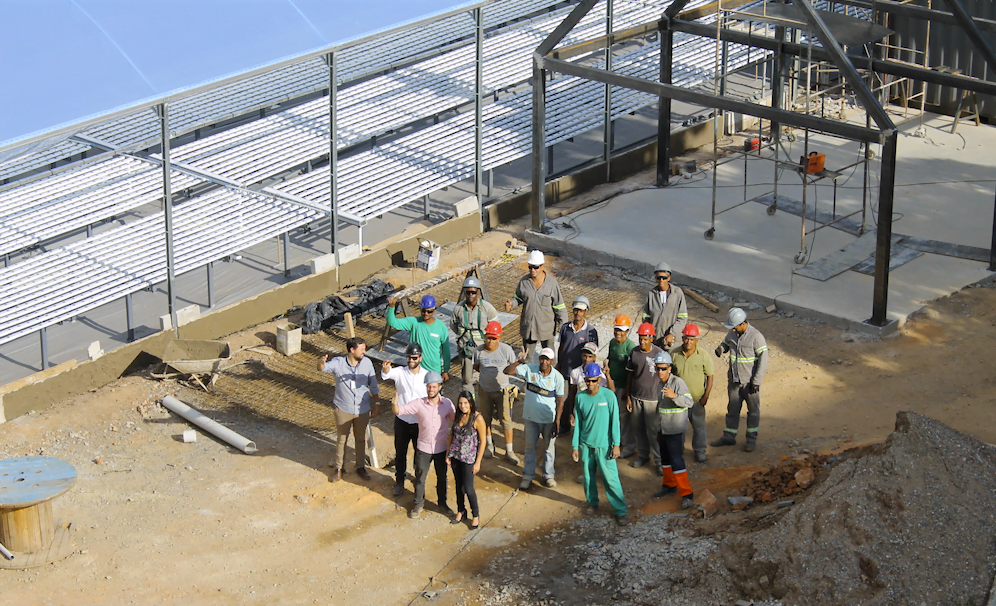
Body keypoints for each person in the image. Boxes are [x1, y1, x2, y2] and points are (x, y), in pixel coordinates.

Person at [317, 337, 381, 483]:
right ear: (352, 350)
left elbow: (374, 385)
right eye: (362, 349)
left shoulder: (367, 363)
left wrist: (377, 403)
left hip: (362, 409)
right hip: (343, 408)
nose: (364, 352)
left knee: (360, 439)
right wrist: (320, 362)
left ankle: (360, 467)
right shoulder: (338, 363)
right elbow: (322, 368)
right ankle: (339, 468)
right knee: (341, 440)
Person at [572, 362, 628, 526]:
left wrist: (616, 444)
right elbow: (578, 424)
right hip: (586, 445)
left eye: (593, 381)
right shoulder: (579, 397)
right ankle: (592, 503)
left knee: (611, 479)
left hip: (605, 446)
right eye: (587, 381)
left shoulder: (609, 396)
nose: (590, 384)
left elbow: (615, 422)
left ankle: (620, 511)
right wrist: (575, 446)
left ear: (599, 380)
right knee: (588, 478)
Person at [393, 371, 455, 519]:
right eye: (428, 387)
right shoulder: (419, 403)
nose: (431, 390)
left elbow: (457, 420)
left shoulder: (447, 404)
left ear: (440, 387)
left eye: (434, 387)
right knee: (420, 478)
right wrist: (395, 405)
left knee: (442, 477)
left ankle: (442, 504)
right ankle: (418, 504)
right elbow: (400, 411)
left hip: (441, 448)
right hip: (423, 449)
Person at [504, 347, 565, 490]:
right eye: (542, 358)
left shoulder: (558, 377)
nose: (544, 361)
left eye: (547, 359)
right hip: (531, 418)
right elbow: (507, 371)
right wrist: (519, 361)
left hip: (548, 420)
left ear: (552, 361)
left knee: (548, 449)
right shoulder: (529, 369)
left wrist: (557, 421)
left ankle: (548, 476)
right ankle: (527, 476)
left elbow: (560, 400)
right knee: (529, 448)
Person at [711, 308, 768, 453]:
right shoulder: (733, 332)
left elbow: (763, 360)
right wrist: (721, 348)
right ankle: (729, 436)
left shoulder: (756, 337)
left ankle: (751, 440)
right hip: (734, 381)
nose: (733, 329)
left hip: (750, 383)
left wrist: (756, 381)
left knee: (753, 412)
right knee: (732, 410)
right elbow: (726, 342)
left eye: (735, 326)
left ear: (743, 323)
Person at [381, 342, 428, 496]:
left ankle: (419, 480)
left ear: (420, 358)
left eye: (414, 357)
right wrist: (386, 368)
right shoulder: (400, 372)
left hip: (418, 422)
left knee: (419, 453)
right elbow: (387, 374)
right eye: (408, 357)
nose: (411, 360)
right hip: (402, 420)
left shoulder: (426, 375)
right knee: (400, 452)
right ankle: (399, 481)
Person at [651, 352, 696, 509]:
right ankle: (669, 485)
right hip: (663, 429)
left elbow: (689, 402)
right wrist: (658, 429)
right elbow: (660, 408)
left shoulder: (677, 383)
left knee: (677, 461)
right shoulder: (659, 384)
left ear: (669, 368)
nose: (660, 372)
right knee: (665, 460)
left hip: (675, 429)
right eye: (657, 368)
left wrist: (674, 396)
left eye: (663, 368)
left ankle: (687, 494)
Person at [504, 250, 568, 360]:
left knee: (549, 358)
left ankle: (549, 377)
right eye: (530, 267)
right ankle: (527, 376)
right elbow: (519, 297)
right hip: (529, 328)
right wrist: (512, 303)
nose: (532, 270)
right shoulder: (524, 282)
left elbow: (559, 306)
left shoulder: (551, 284)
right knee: (527, 358)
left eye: (536, 267)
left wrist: (564, 328)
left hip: (546, 330)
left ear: (542, 266)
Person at [473, 321, 519, 464]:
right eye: (488, 337)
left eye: (494, 338)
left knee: (506, 420)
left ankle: (509, 451)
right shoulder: (479, 351)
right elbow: (477, 367)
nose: (491, 341)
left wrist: (521, 361)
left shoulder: (506, 350)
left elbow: (514, 365)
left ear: (499, 338)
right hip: (485, 390)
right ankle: (489, 445)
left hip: (503, 391)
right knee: (485, 419)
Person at [670, 323, 714, 463]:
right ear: (682, 338)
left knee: (699, 427)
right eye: (686, 338)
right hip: (679, 400)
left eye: (692, 339)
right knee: (679, 429)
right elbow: (669, 375)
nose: (688, 342)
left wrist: (705, 396)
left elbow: (710, 375)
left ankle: (700, 451)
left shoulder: (703, 355)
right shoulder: (675, 354)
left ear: (697, 340)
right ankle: (678, 452)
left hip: (696, 400)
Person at [624, 322, 664, 475]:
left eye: (645, 338)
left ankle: (659, 461)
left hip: (653, 400)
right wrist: (628, 397)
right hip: (636, 398)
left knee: (653, 431)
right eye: (640, 338)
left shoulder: (659, 354)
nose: (642, 341)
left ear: (652, 338)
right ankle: (643, 455)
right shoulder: (634, 353)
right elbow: (630, 376)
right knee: (639, 429)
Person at [557, 295, 598, 436]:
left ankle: (583, 428)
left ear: (586, 312)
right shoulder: (565, 328)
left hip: (582, 375)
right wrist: (559, 364)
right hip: (566, 371)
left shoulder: (591, 331)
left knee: (582, 400)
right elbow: (561, 347)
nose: (578, 313)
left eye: (581, 310)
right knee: (564, 398)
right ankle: (564, 426)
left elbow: (593, 353)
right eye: (576, 310)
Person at [386, 294, 451, 381]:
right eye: (423, 311)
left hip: (434, 370)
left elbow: (446, 350)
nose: (426, 314)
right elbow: (392, 322)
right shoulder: (414, 322)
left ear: (434, 310)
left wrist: (446, 370)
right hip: (416, 370)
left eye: (429, 311)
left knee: (433, 394)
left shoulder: (441, 326)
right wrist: (391, 307)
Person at [447, 391, 487, 529]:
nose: (463, 406)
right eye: (460, 403)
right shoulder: (458, 416)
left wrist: (478, 462)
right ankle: (460, 510)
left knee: (469, 488)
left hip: (469, 458)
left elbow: (483, 441)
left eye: (465, 403)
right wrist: (448, 454)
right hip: (456, 456)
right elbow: (452, 435)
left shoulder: (477, 418)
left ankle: (475, 515)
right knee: (458, 485)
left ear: (471, 403)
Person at [451, 276, 499, 392]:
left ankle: (486, 403)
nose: (471, 295)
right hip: (466, 349)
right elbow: (453, 325)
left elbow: (495, 329)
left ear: (478, 292)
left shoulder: (487, 308)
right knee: (467, 380)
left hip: (484, 350)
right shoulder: (458, 309)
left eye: (473, 292)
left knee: (487, 378)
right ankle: (470, 403)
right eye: (468, 292)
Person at [608, 314, 637, 458]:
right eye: (616, 329)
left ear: (627, 331)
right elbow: (610, 360)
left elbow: (632, 372)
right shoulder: (612, 343)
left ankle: (629, 446)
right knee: (612, 415)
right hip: (612, 385)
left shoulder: (630, 347)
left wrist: (628, 390)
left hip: (623, 387)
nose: (618, 333)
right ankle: (616, 442)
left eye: (621, 330)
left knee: (623, 417)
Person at [641, 261, 688, 349]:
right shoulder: (652, 294)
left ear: (669, 278)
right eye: (659, 278)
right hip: (655, 341)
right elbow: (646, 317)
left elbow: (682, 318)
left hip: (671, 343)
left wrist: (672, 333)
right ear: (655, 278)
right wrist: (649, 334)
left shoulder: (677, 293)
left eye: (664, 278)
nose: (661, 280)